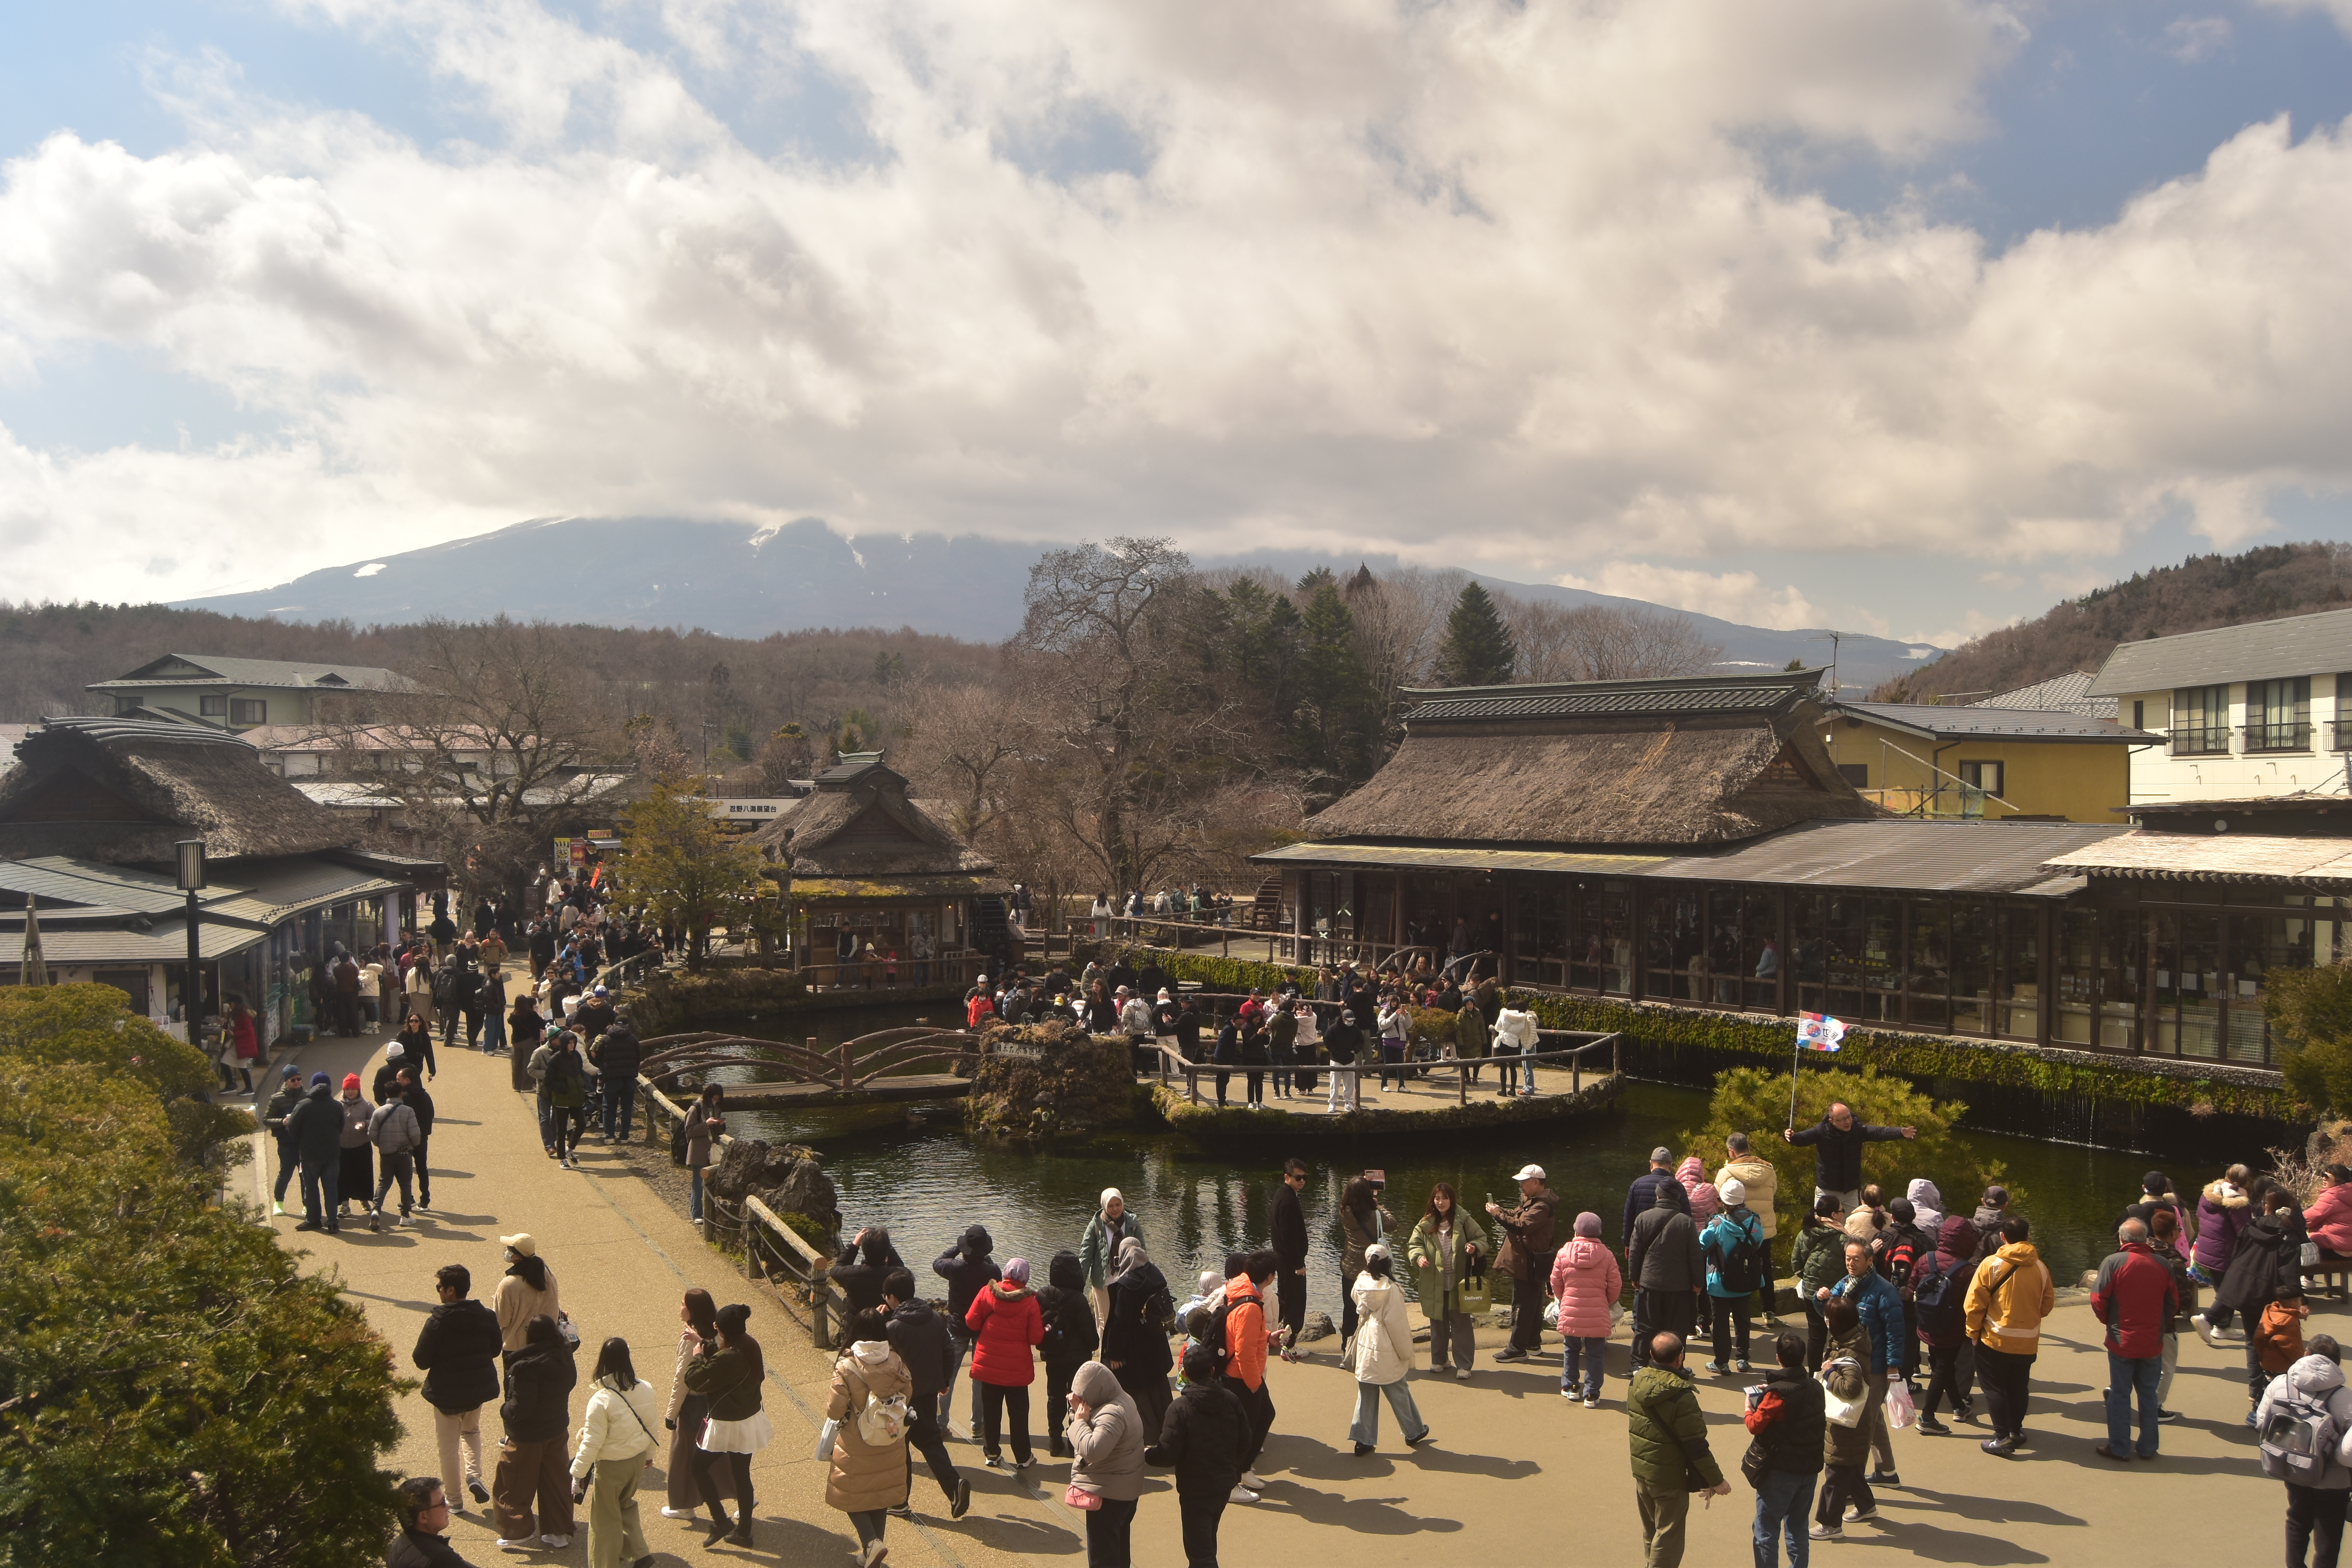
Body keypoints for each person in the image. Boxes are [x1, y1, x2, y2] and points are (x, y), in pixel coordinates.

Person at [1626, 1330, 1729, 1568]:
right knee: (1669, 1537)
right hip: (1670, 1477)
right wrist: (1717, 1480)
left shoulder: (1637, 1382)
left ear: (1651, 1354)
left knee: (1652, 1531)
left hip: (1642, 1471)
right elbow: (1696, 1445)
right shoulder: (1682, 1395)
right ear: (1680, 1358)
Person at [1147, 1342, 1250, 1568]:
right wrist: (1234, 1470)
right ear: (1213, 1371)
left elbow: (1168, 1455)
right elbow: (1246, 1440)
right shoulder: (1231, 1399)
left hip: (1195, 1491)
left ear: (1184, 1374)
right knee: (1207, 1542)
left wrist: (1147, 1455)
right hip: (1223, 1485)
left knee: (1200, 1554)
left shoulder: (1179, 1408)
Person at [825, 1308, 913, 1568]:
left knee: (851, 1494)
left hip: (858, 1440)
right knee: (880, 1495)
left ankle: (872, 1544)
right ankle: (872, 1550)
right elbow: (908, 1393)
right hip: (890, 1434)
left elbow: (835, 1410)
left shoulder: (847, 1364)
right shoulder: (896, 1359)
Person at [2254, 1336, 2352, 1568]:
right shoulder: (2345, 1397)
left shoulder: (2280, 1384)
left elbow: (2262, 1422)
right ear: (2336, 1365)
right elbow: (2348, 1453)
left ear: (2306, 1355)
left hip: (2292, 1467)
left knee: (2297, 1520)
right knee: (2328, 1534)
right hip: (2333, 1481)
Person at [882, 1269, 971, 1520]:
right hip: (930, 1392)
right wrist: (944, 1381)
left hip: (902, 1397)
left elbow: (880, 1359)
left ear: (892, 1298)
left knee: (901, 1446)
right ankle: (954, 1488)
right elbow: (948, 1350)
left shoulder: (893, 1328)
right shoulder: (934, 1318)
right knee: (931, 1441)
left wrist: (880, 1325)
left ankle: (900, 1502)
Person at [413, 1264, 503, 1514]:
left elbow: (421, 1361)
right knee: (472, 1431)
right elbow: (495, 1350)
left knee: (448, 1448)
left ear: (450, 1290)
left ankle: (455, 1500)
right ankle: (474, 1476)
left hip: (446, 1395)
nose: (439, 1291)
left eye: (440, 1287)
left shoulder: (436, 1323)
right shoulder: (486, 1316)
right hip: (476, 1393)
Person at [1963, 1214, 2055, 1457]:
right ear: (2028, 1237)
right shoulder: (2041, 1268)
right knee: (2019, 1387)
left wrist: (1973, 1332)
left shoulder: (1991, 1264)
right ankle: (2015, 1431)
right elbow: (2047, 1305)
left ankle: (2001, 1437)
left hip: (1994, 1338)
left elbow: (1974, 1304)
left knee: (1994, 1389)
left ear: (2003, 1237)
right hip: (2028, 1340)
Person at [2088, 1216, 2178, 1461]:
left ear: (2121, 1239)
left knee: (2120, 1393)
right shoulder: (2162, 1264)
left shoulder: (2113, 1262)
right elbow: (2173, 1303)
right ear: (2145, 1238)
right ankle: (2148, 1447)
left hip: (2121, 1340)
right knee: (2148, 1395)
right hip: (2152, 1341)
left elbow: (2098, 1299)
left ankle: (2119, 1447)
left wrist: (2109, 1321)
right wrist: (2159, 1325)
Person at [683, 1302, 772, 1547]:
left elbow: (696, 1380)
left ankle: (721, 1521)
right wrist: (701, 1339)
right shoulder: (750, 1344)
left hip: (726, 1422)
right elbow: (725, 1355)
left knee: (698, 1468)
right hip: (749, 1419)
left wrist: (698, 1356)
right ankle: (744, 1533)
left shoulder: (728, 1357)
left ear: (721, 1329)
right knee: (742, 1475)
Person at [568, 1337, 659, 1568]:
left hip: (611, 1466)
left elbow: (591, 1443)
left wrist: (577, 1474)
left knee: (603, 1521)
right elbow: (652, 1426)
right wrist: (650, 1455)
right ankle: (641, 1554)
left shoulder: (600, 1400)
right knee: (625, 1505)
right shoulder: (645, 1388)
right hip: (638, 1460)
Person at [491, 1314, 579, 1550]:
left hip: (526, 1436)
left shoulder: (525, 1367)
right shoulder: (564, 1356)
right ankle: (558, 1532)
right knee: (556, 1482)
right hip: (557, 1429)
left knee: (513, 1482)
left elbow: (520, 1408)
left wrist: (504, 1410)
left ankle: (516, 1530)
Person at [2227, 1187, 2315, 1417]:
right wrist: (2299, 1300)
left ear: (2265, 1205)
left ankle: (2256, 1401)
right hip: (2273, 1299)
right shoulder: (2288, 1234)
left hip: (2247, 1292)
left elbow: (2236, 1255)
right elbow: (2290, 1271)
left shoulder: (2250, 1227)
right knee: (2279, 1346)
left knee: (2252, 1343)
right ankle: (2278, 1402)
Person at [1744, 1331, 1826, 1568]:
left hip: (1780, 1470)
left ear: (1778, 1358)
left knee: (1766, 1529)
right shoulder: (1815, 1386)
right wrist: (1771, 1390)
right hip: (1809, 1469)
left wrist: (1749, 1408)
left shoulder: (1777, 1394)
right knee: (1798, 1526)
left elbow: (1755, 1425)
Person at [1824, 1239, 1902, 1484]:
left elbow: (1896, 1331)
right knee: (1872, 1417)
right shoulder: (1846, 1284)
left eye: (1857, 1259)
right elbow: (1831, 1314)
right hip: (1849, 1360)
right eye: (1848, 1258)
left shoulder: (1884, 1290)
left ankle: (1852, 1483)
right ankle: (1887, 1471)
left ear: (1870, 1260)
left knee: (1862, 1422)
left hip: (1876, 1366)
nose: (1851, 1263)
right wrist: (1822, 1299)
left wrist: (1893, 1364)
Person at [660, 1290, 735, 1522]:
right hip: (717, 1404)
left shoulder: (690, 1341)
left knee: (683, 1456)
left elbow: (682, 1380)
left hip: (693, 1406)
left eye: (683, 1304)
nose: (679, 1308)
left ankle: (684, 1506)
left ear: (693, 1311)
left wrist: (671, 1414)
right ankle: (743, 1497)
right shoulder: (722, 1335)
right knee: (723, 1455)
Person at [1347, 1245, 1430, 1452]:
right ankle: (1414, 1431)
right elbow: (1398, 1327)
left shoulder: (1360, 1284)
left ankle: (1363, 1440)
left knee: (1366, 1394)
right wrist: (1406, 1354)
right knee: (1398, 1390)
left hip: (1367, 1345)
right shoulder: (1392, 1290)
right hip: (1386, 1347)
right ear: (1388, 1262)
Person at [966, 1256, 1044, 1468]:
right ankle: (1023, 1457)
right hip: (1016, 1370)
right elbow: (1036, 1338)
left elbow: (971, 1321)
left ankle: (992, 1454)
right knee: (1019, 1415)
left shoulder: (986, 1292)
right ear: (1025, 1279)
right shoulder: (1030, 1302)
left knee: (991, 1412)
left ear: (1005, 1274)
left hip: (988, 1365)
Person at [1068, 1359, 1147, 1568]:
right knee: (1119, 1548)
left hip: (1109, 1496)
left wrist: (1079, 1422)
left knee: (1103, 1557)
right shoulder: (1122, 1400)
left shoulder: (1111, 1413)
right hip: (1125, 1490)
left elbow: (1093, 1450)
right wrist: (1077, 1414)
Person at [1408, 1182, 1488, 1380]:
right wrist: (1418, 1257)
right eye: (1437, 1198)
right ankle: (1439, 1360)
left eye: (1445, 1198)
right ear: (1433, 1201)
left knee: (1461, 1324)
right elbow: (1414, 1245)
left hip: (1459, 1282)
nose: (1441, 1202)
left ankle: (1464, 1365)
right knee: (1437, 1323)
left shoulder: (1463, 1219)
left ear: (1452, 1200)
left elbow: (1483, 1239)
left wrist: (1473, 1247)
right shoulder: (1426, 1222)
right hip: (1433, 1282)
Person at [1909, 1216, 1982, 1434]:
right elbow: (1972, 1304)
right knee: (1943, 1369)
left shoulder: (1925, 1259)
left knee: (1944, 1366)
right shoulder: (1967, 1271)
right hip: (1953, 1330)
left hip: (1928, 1325)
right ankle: (1927, 1418)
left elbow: (1912, 1288)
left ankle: (1959, 1407)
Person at [1100, 1236, 1175, 1443]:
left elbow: (1120, 1323)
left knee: (1140, 1394)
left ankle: (1149, 1438)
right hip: (1157, 1344)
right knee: (1160, 1390)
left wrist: (1115, 1354)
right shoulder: (1155, 1274)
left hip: (1135, 1350)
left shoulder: (1127, 1285)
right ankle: (1171, 1432)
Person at [1811, 1299, 1873, 1543]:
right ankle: (1867, 1506)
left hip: (1846, 1424)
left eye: (1828, 1318)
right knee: (1852, 1467)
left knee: (1836, 1473)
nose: (1825, 1321)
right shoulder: (1853, 1340)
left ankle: (1829, 1524)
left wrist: (1829, 1372)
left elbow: (1851, 1388)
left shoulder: (1850, 1351)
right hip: (1855, 1422)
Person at [1219, 1250, 1279, 1496]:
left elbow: (1242, 1335)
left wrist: (1267, 1337)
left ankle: (1243, 1470)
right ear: (1269, 1276)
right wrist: (1254, 1384)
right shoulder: (1251, 1306)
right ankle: (1232, 1483)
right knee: (1245, 1429)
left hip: (1242, 1374)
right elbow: (1244, 1351)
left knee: (1263, 1416)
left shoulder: (1242, 1292)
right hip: (1242, 1377)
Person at [1784, 1102, 1916, 1213]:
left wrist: (1900, 1132)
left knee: (1850, 1230)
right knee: (1823, 1227)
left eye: (1849, 1117)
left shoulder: (1857, 1130)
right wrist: (1792, 1137)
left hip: (1850, 1192)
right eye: (1842, 1120)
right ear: (1832, 1121)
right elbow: (1802, 1139)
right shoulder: (1821, 1131)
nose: (1847, 1122)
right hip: (1827, 1191)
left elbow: (1879, 1132)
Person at [1628, 1178, 1703, 1372]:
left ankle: (1638, 1363)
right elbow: (1695, 1256)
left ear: (1658, 1195)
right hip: (1679, 1286)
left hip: (1650, 1282)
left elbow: (1635, 1252)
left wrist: (1634, 1277)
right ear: (1678, 1198)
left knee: (1645, 1327)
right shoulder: (1686, 1222)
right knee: (1677, 1330)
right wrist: (1698, 1282)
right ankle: (1676, 1366)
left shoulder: (1643, 1218)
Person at [1488, 1163, 1559, 1362]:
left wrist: (1496, 1215)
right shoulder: (1535, 1200)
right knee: (1533, 1304)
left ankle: (1517, 1348)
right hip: (1532, 1261)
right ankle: (1532, 1343)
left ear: (1536, 1183)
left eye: (1524, 1182)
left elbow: (1521, 1226)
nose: (1521, 1185)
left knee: (1522, 1305)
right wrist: (1500, 1210)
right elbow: (1518, 1215)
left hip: (1529, 1262)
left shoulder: (1542, 1205)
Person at [933, 1225, 1001, 1435]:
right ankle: (978, 1425)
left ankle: (941, 1424)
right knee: (979, 1377)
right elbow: (994, 1273)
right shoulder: (991, 1271)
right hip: (983, 1328)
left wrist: (956, 1249)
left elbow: (937, 1263)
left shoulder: (955, 1268)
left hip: (957, 1326)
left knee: (948, 1377)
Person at [1550, 1211, 1621, 1406]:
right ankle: (1592, 1394)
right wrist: (1604, 1301)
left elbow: (1555, 1281)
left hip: (1571, 1311)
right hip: (1597, 1312)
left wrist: (1564, 1298)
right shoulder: (1607, 1255)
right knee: (1596, 1354)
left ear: (1576, 1230)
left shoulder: (1564, 1252)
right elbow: (1616, 1286)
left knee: (1571, 1350)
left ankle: (1571, 1387)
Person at [1701, 1179, 1768, 1372]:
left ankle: (1721, 1362)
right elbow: (1758, 1243)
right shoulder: (1755, 1222)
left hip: (1720, 1283)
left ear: (1724, 1202)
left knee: (1720, 1321)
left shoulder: (1717, 1224)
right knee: (1742, 1319)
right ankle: (1743, 1359)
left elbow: (1703, 1245)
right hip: (1745, 1279)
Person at [1040, 1250, 1100, 1457]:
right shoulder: (1078, 1299)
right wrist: (1094, 1344)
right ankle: (1075, 1442)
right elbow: (1091, 1336)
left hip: (1053, 1355)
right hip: (1078, 1360)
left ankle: (1054, 1442)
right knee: (1076, 1401)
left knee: (1054, 1397)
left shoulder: (1043, 1294)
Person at [2193, 1165, 2257, 1343]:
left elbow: (2199, 1215)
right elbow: (2244, 1232)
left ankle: (2221, 1325)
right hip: (2226, 1253)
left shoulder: (2210, 1194)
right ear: (2246, 1181)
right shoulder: (2238, 1202)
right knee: (2232, 1290)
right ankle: (2213, 1323)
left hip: (2207, 1248)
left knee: (2223, 1288)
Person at [1719, 1132, 1781, 1316]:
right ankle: (1769, 1310)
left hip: (1737, 1229)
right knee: (1765, 1268)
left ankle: (1737, 1312)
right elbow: (1774, 1191)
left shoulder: (1726, 1173)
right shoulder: (1769, 1170)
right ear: (1748, 1147)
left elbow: (1719, 1195)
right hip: (1764, 1228)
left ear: (1732, 1152)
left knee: (1735, 1267)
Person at [284, 1070, 347, 1232]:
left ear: (312, 1087)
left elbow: (292, 1127)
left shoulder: (303, 1105)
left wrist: (302, 1139)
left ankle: (313, 1219)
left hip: (309, 1154)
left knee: (310, 1187)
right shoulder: (337, 1106)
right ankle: (333, 1222)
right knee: (331, 1187)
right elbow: (341, 1127)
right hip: (332, 1153)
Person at [1339, 1176, 1397, 1347]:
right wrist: (1378, 1205)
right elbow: (1392, 1224)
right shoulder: (1375, 1215)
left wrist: (1359, 1183)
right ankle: (1372, 1348)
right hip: (1372, 1268)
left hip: (1350, 1267)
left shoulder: (1345, 1212)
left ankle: (1347, 1349)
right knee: (1374, 1310)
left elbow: (1353, 1195)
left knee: (1350, 1310)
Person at [1790, 1195, 1847, 1369]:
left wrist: (1810, 1281)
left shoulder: (1805, 1233)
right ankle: (1839, 1373)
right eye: (1842, 1211)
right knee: (1841, 1336)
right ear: (1834, 1215)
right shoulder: (1843, 1238)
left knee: (1816, 1337)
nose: (1843, 1214)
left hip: (1810, 1293)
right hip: (1835, 1296)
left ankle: (1814, 1374)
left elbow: (1796, 1264)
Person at [494, 1234, 563, 1370]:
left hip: (517, 1349)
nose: (506, 1252)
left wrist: (499, 1301)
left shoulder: (509, 1285)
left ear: (517, 1257)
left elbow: (502, 1321)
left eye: (509, 1250)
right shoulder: (546, 1272)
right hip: (547, 1346)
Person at [1080, 1190, 1145, 1327]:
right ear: (1104, 1206)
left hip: (1127, 1280)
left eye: (1118, 1204)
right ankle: (1104, 1348)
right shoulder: (1096, 1224)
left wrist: (1145, 1276)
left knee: (1126, 1320)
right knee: (1104, 1321)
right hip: (1103, 1281)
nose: (1115, 1209)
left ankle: (1124, 1349)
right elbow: (1086, 1255)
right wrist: (1078, 1284)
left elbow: (1142, 1251)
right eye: (1111, 1206)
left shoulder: (1132, 1222)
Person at [367, 1080, 425, 1232]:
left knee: (384, 1183)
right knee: (405, 1184)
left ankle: (376, 1209)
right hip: (404, 1153)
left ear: (386, 1094)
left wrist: (381, 1145)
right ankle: (405, 1216)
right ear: (401, 1094)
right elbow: (415, 1134)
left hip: (386, 1154)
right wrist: (414, 1145)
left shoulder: (378, 1112)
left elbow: (371, 1133)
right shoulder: (408, 1111)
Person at [1268, 1158, 1310, 1361]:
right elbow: (1288, 1237)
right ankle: (1289, 1347)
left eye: (1304, 1177)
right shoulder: (1286, 1200)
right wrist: (1299, 1265)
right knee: (1296, 1302)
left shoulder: (1283, 1194)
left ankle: (1279, 1339)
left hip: (1284, 1260)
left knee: (1285, 1300)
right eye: (1298, 1177)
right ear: (1287, 1177)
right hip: (1290, 1261)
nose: (1302, 1181)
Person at [388, 1476, 474, 1568]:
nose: (448, 1507)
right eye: (442, 1503)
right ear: (423, 1517)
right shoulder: (441, 1559)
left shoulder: (397, 1545)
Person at [833, 1228, 907, 1325]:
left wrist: (854, 1245)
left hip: (857, 1331)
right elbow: (901, 1267)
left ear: (864, 1251)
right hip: (888, 1330)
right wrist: (885, 1244)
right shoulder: (896, 1276)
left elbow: (836, 1268)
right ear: (887, 1252)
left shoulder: (850, 1275)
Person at [1623, 1147, 1690, 1247]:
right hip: (1670, 1245)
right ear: (1671, 1166)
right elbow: (1687, 1219)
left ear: (1651, 1164)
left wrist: (1627, 1244)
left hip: (1642, 1244)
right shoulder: (1678, 1187)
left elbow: (1629, 1218)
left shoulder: (1637, 1184)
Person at [263, 1063, 306, 1217]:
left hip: (303, 1145)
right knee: (285, 1174)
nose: (297, 1082)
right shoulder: (277, 1099)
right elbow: (266, 1120)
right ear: (286, 1081)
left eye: (299, 1079)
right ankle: (279, 1202)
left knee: (305, 1176)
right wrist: (282, 1122)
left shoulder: (306, 1096)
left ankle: (307, 1205)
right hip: (286, 1144)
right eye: (293, 1080)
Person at [543, 1033, 590, 1169]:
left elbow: (581, 1072)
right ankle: (562, 1158)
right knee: (562, 1130)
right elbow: (548, 1081)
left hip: (576, 1097)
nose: (572, 1045)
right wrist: (562, 1088)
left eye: (574, 1042)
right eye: (570, 1043)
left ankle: (570, 1149)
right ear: (564, 1044)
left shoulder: (577, 1056)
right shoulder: (556, 1059)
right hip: (562, 1099)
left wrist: (583, 1087)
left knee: (582, 1124)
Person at [335, 1073, 375, 1224]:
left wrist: (365, 1123)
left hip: (362, 1146)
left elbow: (375, 1122)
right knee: (343, 1176)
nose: (351, 1092)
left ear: (359, 1089)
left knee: (363, 1174)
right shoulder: (337, 1106)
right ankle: (345, 1206)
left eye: (354, 1089)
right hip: (342, 1147)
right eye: (348, 1089)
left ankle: (364, 1200)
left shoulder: (367, 1105)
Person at [684, 1085, 724, 1223]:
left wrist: (720, 1124)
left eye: (718, 1099)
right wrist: (706, 1124)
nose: (716, 1101)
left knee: (712, 1183)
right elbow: (689, 1131)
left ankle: (709, 1212)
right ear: (708, 1096)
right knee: (698, 1183)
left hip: (712, 1151)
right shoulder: (695, 1108)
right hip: (698, 1151)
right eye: (714, 1098)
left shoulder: (716, 1108)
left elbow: (720, 1132)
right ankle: (696, 1214)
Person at [1324, 1008, 1364, 1113]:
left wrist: (1355, 1050)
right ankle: (1332, 1103)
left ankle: (1349, 1102)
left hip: (1350, 1060)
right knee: (1334, 1084)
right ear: (1344, 1019)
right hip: (1336, 1060)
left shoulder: (1355, 1029)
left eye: (1352, 1020)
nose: (1351, 1022)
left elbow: (1361, 1040)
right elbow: (1327, 1039)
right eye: (1349, 1020)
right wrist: (1334, 1051)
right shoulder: (1334, 1028)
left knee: (1350, 1084)